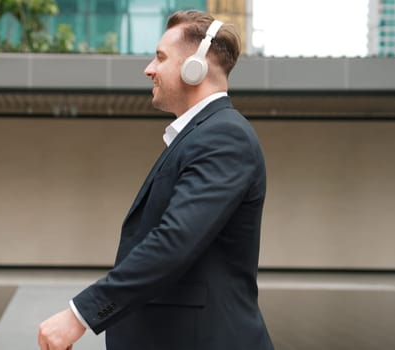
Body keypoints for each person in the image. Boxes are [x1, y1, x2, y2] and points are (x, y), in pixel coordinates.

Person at [38, 10, 274, 350]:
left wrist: (79, 316)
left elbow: (174, 241)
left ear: (197, 67)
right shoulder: (201, 135)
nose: (149, 68)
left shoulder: (223, 136)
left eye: (160, 57)